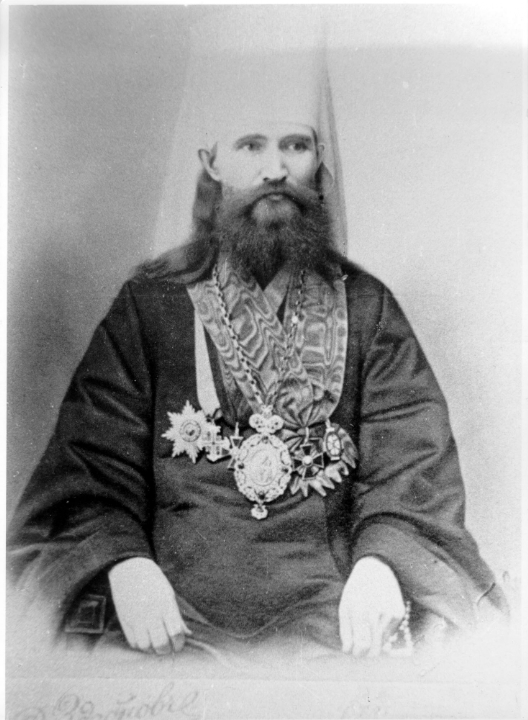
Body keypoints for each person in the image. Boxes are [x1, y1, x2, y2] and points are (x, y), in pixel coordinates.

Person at [8, 11, 507, 662]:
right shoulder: (149, 306)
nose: (276, 169)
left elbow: (413, 470)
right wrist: (125, 564)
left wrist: (382, 565)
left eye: (295, 145)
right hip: (168, 614)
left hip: (336, 617)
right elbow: (89, 472)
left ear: (318, 160)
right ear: (212, 162)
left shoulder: (368, 308)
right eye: (250, 145)